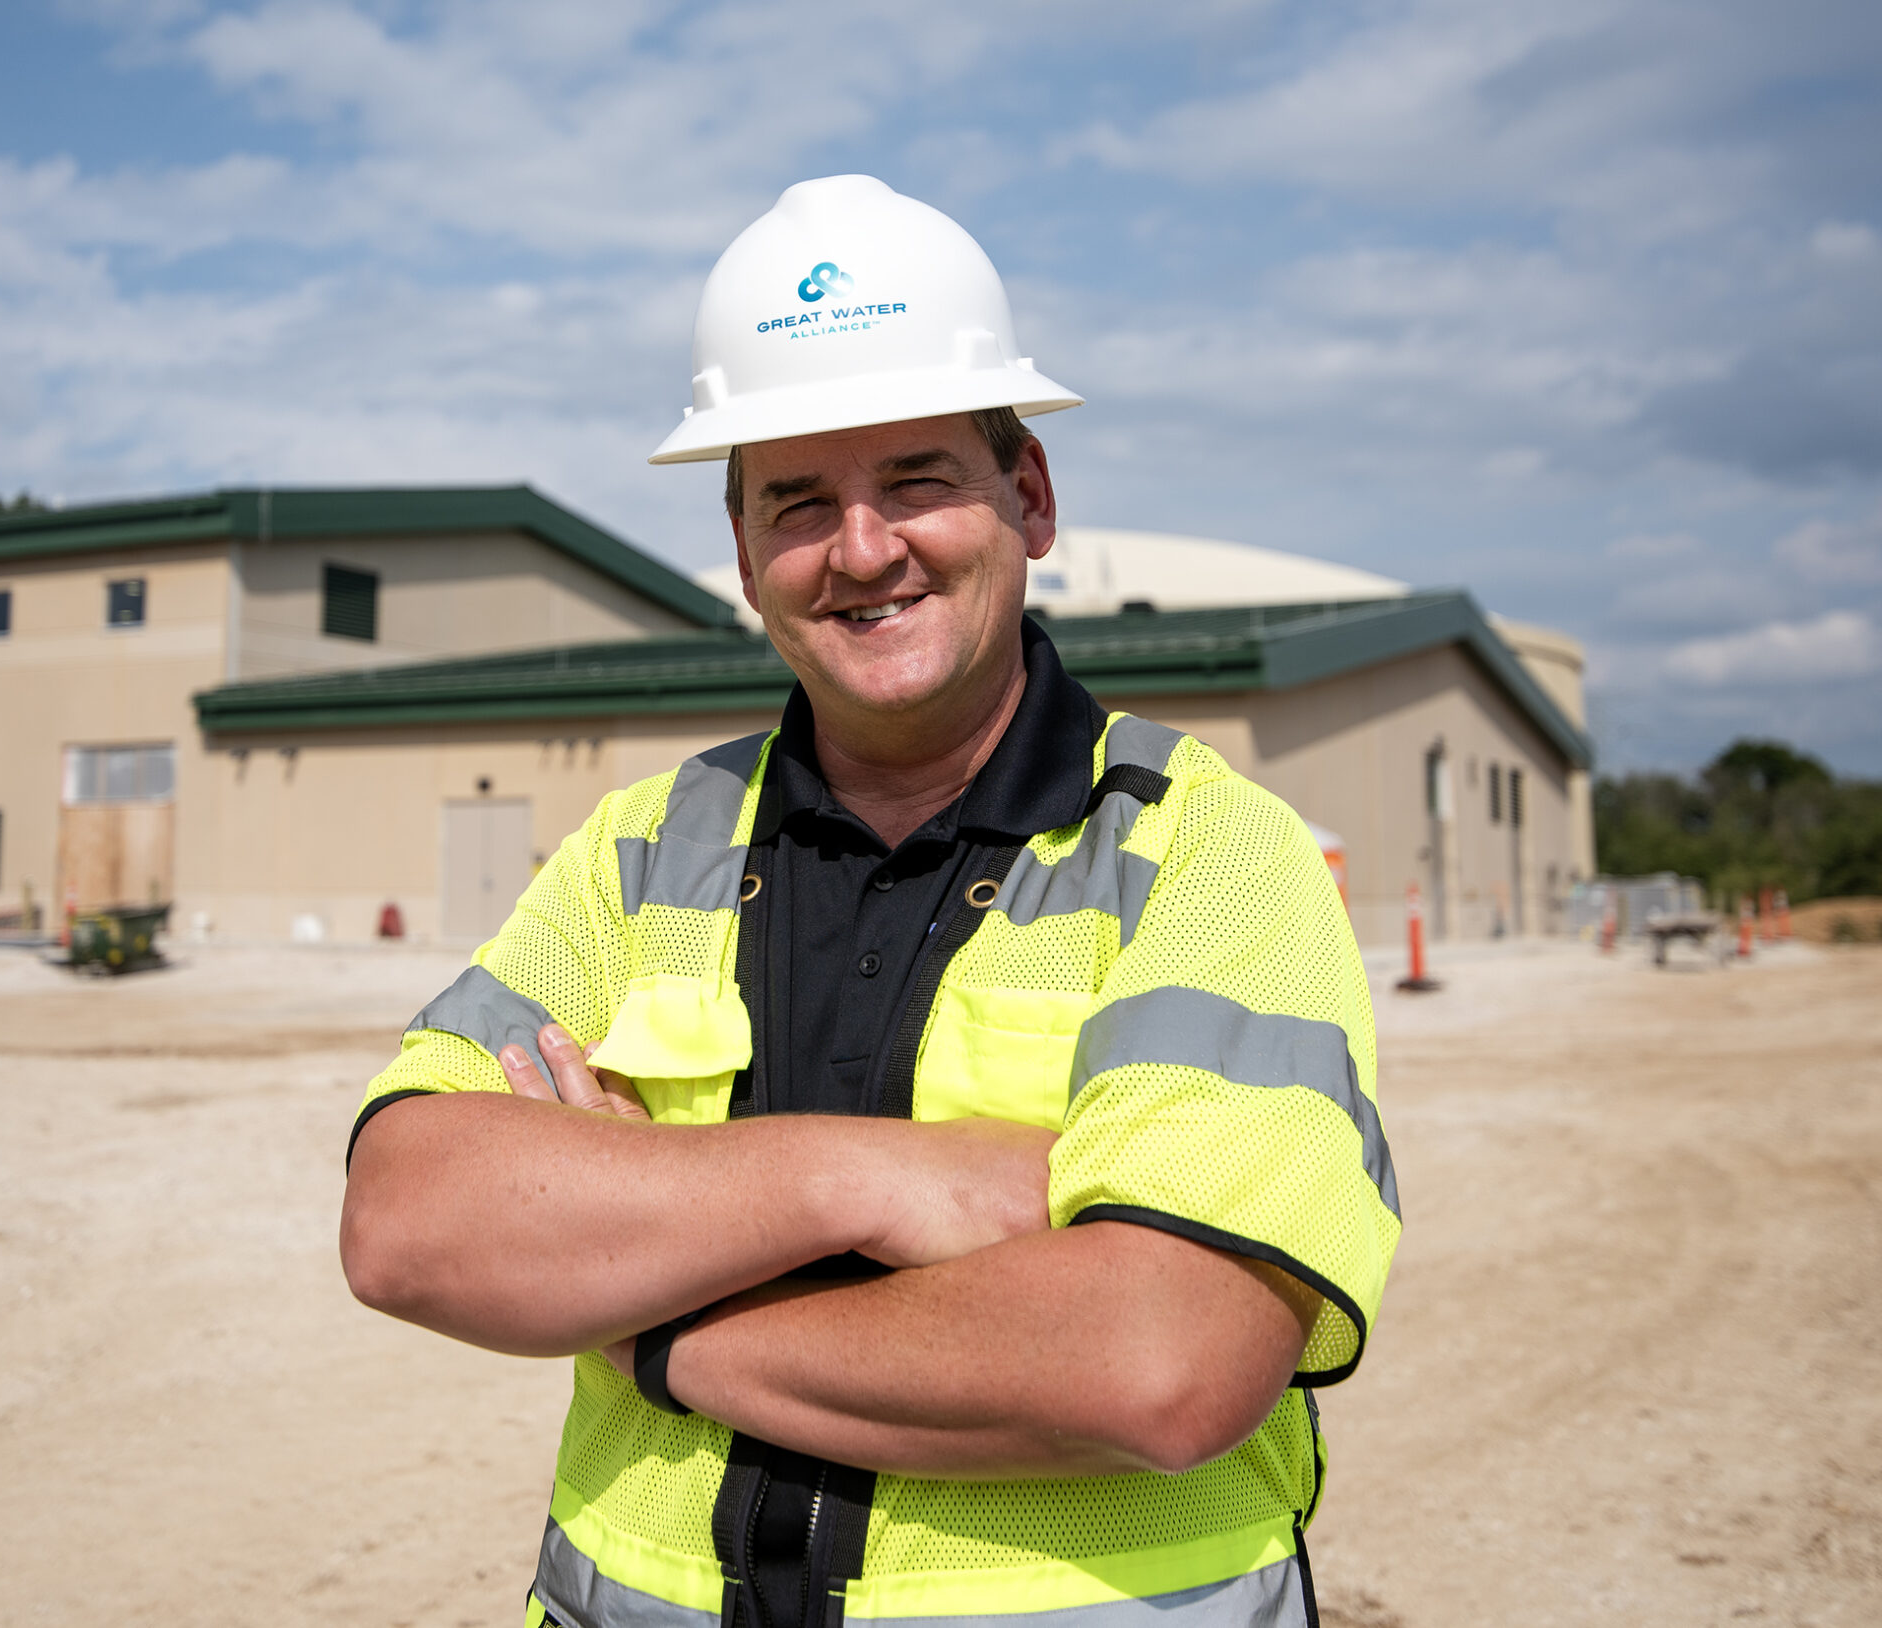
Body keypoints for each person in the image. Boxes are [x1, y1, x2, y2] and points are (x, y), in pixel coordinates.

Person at [342, 175, 1399, 1628]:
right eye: (797, 501)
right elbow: (410, 1224)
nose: (860, 548)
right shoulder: (645, 848)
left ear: (1027, 498)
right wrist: (886, 1181)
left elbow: (1163, 1359)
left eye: (915, 478)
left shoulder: (1203, 854)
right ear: (740, 553)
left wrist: (646, 1310)